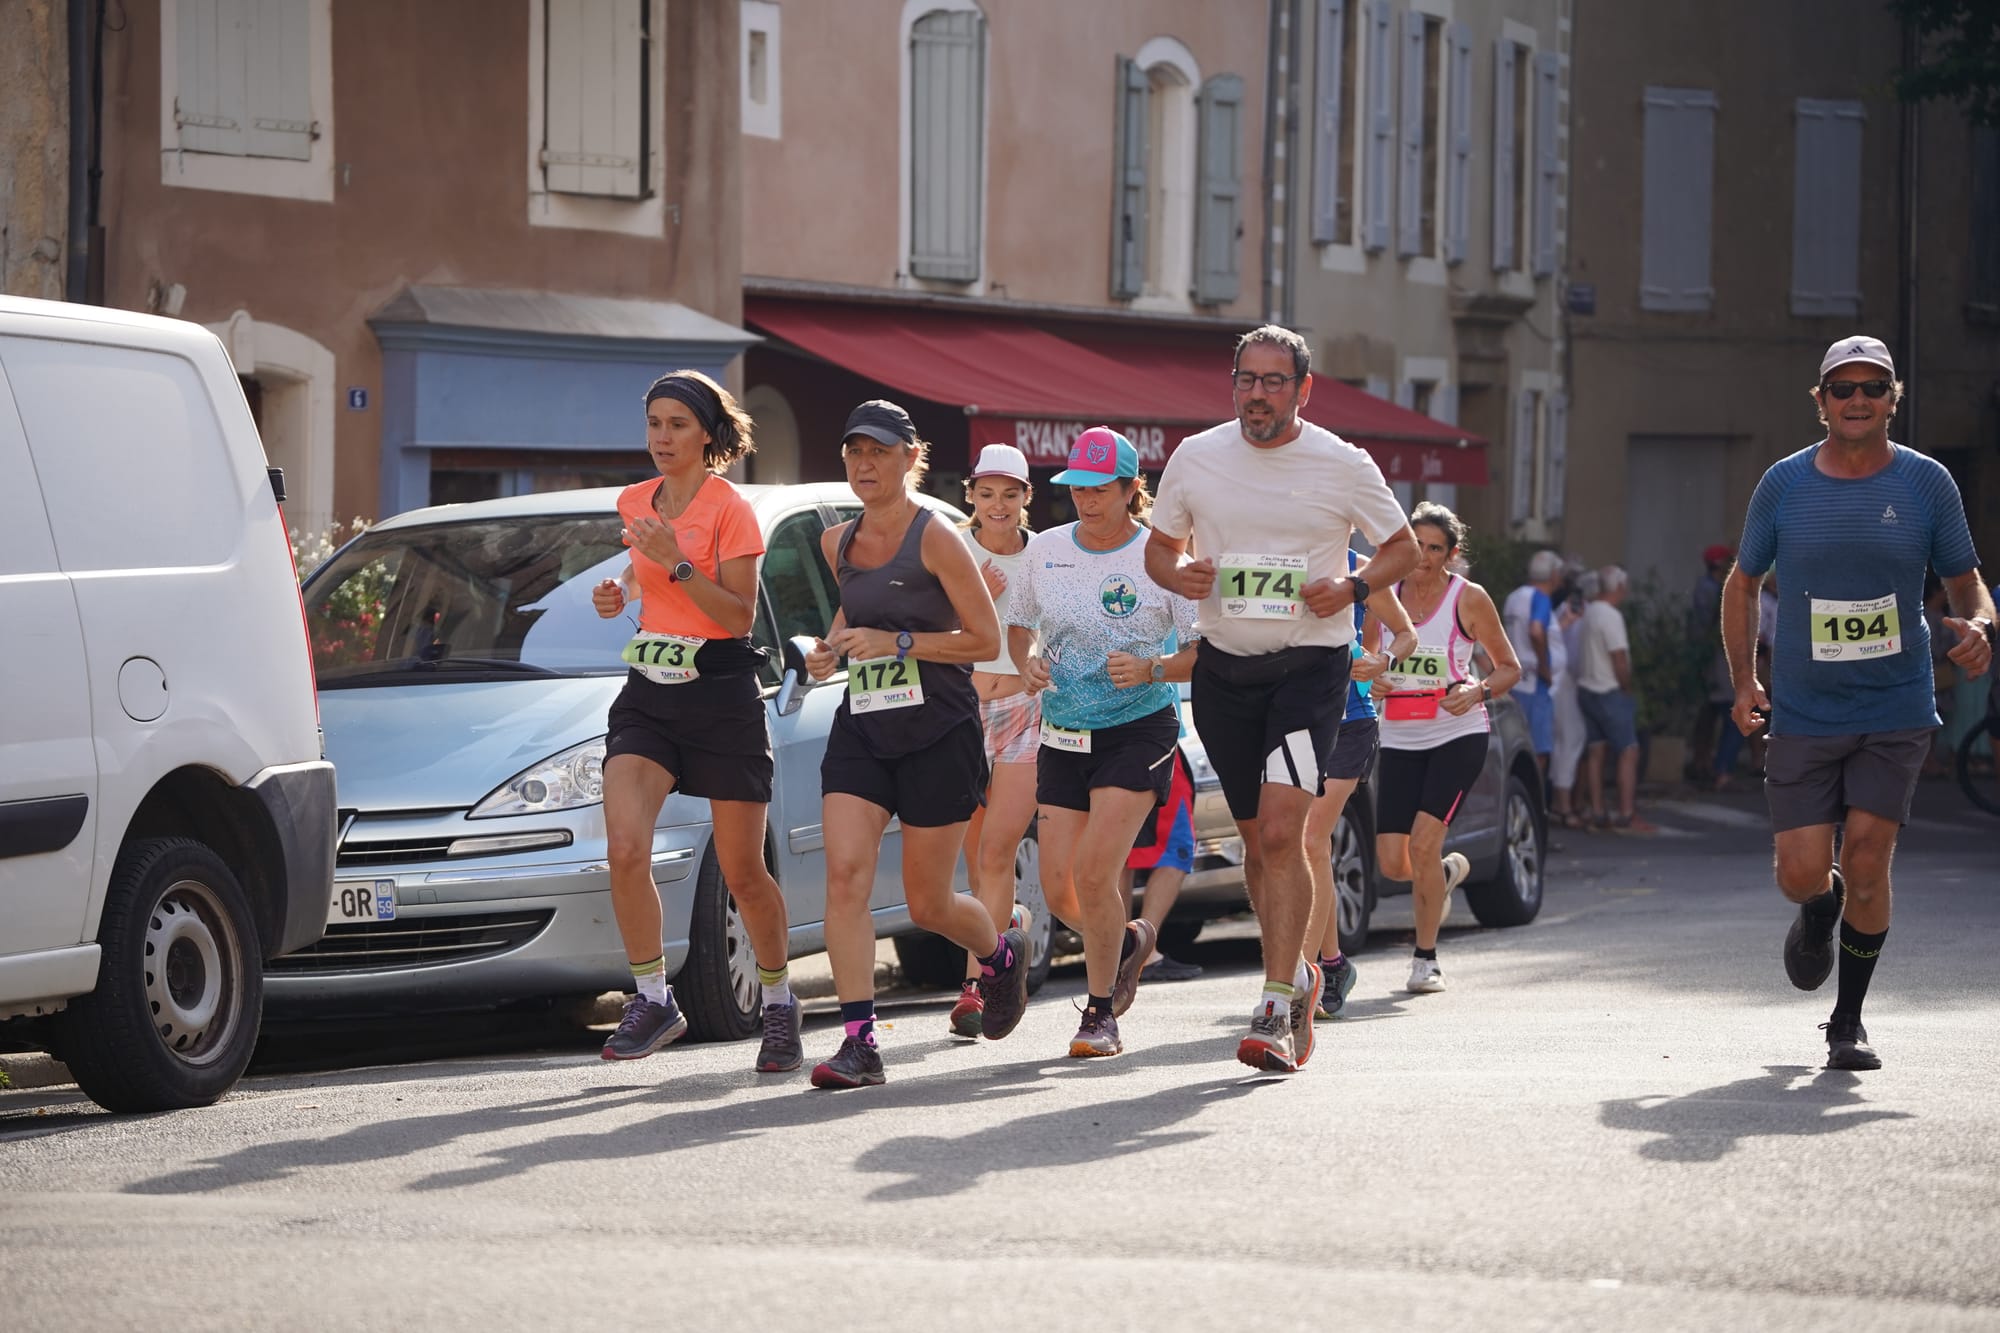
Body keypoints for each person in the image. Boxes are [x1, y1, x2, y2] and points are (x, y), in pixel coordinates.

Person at [1146, 325, 1418, 1073]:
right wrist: (1181, 575)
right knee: (1254, 846)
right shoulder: (1195, 457)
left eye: (1274, 381)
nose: (1257, 394)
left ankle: (1272, 1000)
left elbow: (1403, 548)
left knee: (1279, 834)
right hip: (1224, 669)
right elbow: (1157, 550)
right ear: (1232, 384)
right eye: (1247, 379)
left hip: (1310, 666)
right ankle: (1298, 977)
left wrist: (1357, 587)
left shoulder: (1342, 462)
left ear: (1303, 389)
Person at [1722, 335, 1993, 1071]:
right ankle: (1818, 903)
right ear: (1821, 402)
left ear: (1892, 399)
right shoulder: (1783, 485)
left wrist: (1981, 625)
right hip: (1806, 712)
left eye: (1873, 386)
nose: (1857, 398)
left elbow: (1968, 581)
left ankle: (1847, 1022)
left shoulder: (1927, 483)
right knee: (1800, 871)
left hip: (1895, 706)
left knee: (1870, 860)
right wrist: (1746, 682)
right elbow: (1742, 583)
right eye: (1842, 388)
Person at [804, 400, 1027, 1089]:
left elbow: (985, 641)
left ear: (910, 458)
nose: (864, 464)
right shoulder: (834, 541)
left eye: (878, 452)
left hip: (939, 729)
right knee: (845, 877)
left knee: (929, 902)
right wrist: (825, 650)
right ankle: (859, 1042)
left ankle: (998, 955)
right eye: (853, 452)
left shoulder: (937, 538)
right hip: (864, 726)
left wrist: (898, 642)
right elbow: (851, 619)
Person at [592, 370, 799, 1072]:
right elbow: (640, 575)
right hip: (649, 687)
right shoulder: (633, 500)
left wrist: (675, 563)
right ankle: (653, 996)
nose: (661, 437)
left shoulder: (728, 508)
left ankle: (777, 1003)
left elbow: (738, 615)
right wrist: (618, 589)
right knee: (624, 848)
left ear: (707, 434)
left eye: (677, 424)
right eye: (653, 423)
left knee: (743, 870)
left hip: (720, 690)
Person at [1009, 428, 1201, 1058]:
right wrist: (1030, 662)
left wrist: (1153, 669)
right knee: (1062, 887)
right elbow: (1019, 626)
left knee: (1096, 874)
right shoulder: (1046, 550)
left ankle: (1098, 1016)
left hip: (1138, 724)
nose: (1086, 501)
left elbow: (1203, 651)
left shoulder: (1161, 557)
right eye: (1077, 489)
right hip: (1063, 728)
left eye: (1100, 489)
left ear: (1129, 490)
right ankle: (1125, 943)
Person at [1367, 503, 1522, 993]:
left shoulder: (1468, 598)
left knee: (1423, 841)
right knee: (1393, 862)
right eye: (1418, 546)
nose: (1425, 557)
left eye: (1436, 549)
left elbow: (1508, 667)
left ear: (1452, 555)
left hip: (1457, 733)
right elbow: (1369, 657)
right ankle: (1444, 874)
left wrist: (1478, 690)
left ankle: (1425, 958)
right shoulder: (1382, 595)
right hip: (1398, 733)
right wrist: (1374, 681)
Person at [949, 443, 1042, 1038]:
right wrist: (965, 593)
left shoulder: (1046, 555)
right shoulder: (950, 546)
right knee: (969, 852)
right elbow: (924, 625)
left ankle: (977, 986)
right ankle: (1006, 929)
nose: (998, 506)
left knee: (996, 850)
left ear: (1026, 498)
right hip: (960, 709)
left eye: (1010, 494)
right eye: (987, 494)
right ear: (971, 495)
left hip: (1025, 708)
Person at [1306, 547, 1417, 1018]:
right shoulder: (1282, 555)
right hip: (1294, 719)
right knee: (1309, 847)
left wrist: (1381, 661)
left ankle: (1297, 976)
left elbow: (1406, 634)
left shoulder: (1360, 568)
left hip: (1350, 723)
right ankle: (1331, 963)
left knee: (1309, 838)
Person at [1576, 566, 1656, 833]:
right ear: (1619, 588)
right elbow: (1619, 658)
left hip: (1586, 688)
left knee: (1596, 751)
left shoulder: (1589, 611)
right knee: (1628, 751)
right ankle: (1626, 813)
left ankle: (1598, 810)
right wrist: (1627, 687)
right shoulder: (1610, 616)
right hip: (1608, 690)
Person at [1121, 746, 1203, 983]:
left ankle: (1119, 952)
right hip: (1155, 741)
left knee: (1119, 853)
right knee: (1178, 847)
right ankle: (1141, 954)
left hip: (1100, 742)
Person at [1503, 550, 1565, 782]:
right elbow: (1536, 630)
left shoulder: (1514, 597)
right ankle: (1534, 803)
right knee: (1538, 751)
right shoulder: (1540, 598)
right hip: (1534, 685)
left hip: (1516, 680)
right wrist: (1545, 667)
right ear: (1553, 575)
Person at [1688, 544, 1735, 780]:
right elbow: (1711, 628)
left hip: (1712, 656)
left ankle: (1706, 764)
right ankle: (1716, 768)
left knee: (1709, 713)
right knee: (1721, 711)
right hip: (1713, 658)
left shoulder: (1713, 587)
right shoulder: (1709, 589)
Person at [1550, 561, 1591, 829]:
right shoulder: (1572, 612)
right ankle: (1563, 804)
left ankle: (1560, 801)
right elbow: (1574, 653)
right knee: (1571, 739)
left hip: (1559, 681)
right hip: (1565, 681)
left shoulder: (1557, 608)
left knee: (1562, 741)